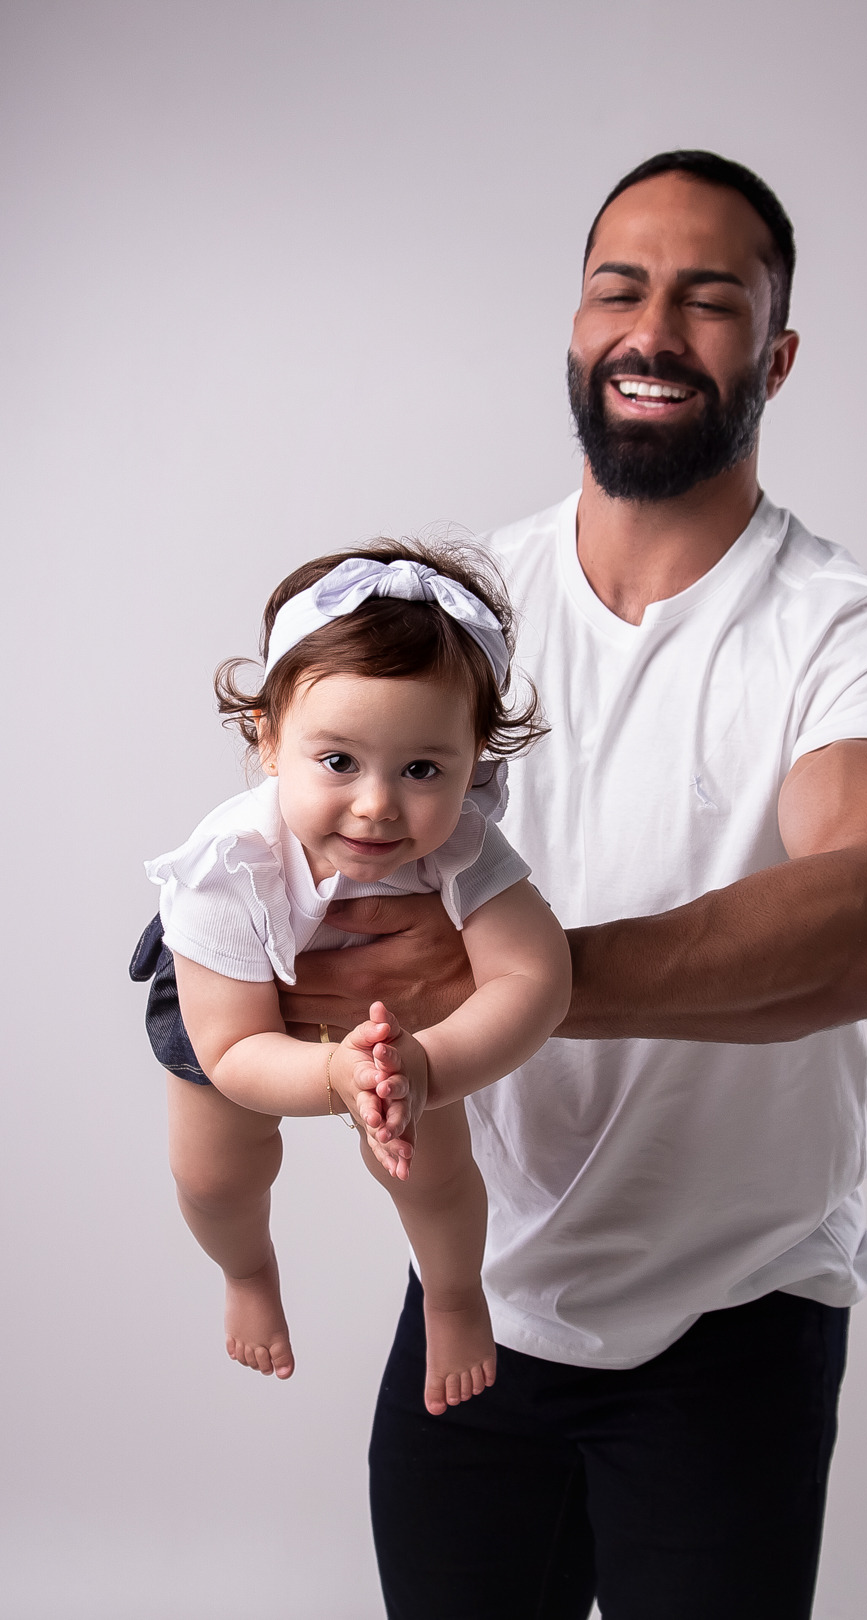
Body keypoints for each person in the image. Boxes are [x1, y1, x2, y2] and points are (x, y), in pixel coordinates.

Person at [271, 151, 867, 1618]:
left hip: (735, 1315)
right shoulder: (448, 626)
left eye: (709, 300)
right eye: (621, 289)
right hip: (474, 1297)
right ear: (577, 328)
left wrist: (504, 989)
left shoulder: (865, 630)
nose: (653, 330)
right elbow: (301, 834)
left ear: (776, 355)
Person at [138, 540, 571, 1415]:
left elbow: (535, 977)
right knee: (215, 1174)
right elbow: (233, 1050)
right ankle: (248, 1271)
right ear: (269, 740)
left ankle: (453, 1296)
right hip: (236, 1002)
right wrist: (334, 1075)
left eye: (422, 769)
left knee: (433, 1171)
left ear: (476, 760)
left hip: (395, 1020)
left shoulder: (460, 846)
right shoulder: (227, 869)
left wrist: (426, 1066)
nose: (377, 806)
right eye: (338, 761)